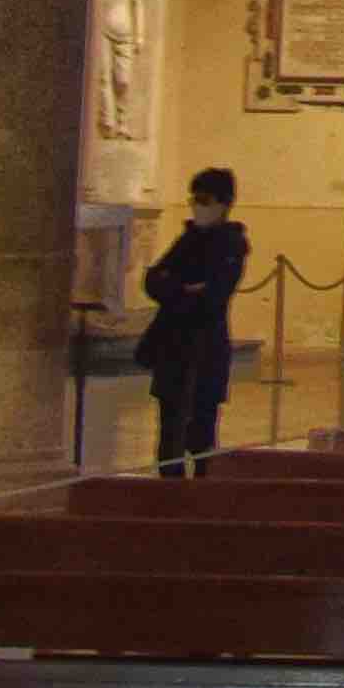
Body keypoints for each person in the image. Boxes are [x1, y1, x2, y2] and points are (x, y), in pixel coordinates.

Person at [136, 166, 247, 473]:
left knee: (200, 431)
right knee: (169, 430)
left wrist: (175, 289)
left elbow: (214, 295)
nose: (197, 206)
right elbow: (153, 279)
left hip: (205, 348)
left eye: (204, 199)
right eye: (194, 199)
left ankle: (199, 494)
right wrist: (185, 289)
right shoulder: (187, 239)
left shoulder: (231, 244)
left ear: (223, 204)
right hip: (172, 346)